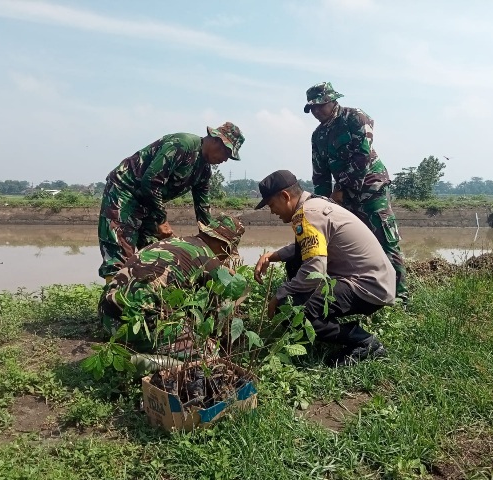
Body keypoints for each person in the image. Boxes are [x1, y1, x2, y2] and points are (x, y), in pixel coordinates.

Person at [253, 170, 395, 366]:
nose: (272, 211)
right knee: (295, 267)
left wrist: (278, 296)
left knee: (290, 309)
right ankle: (324, 324)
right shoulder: (314, 205)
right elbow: (307, 248)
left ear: (285, 196)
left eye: (271, 205)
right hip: (375, 280)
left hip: (368, 286)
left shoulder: (307, 215)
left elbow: (315, 271)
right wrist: (272, 256)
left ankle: (363, 342)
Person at [98, 122, 245, 281]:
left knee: (158, 254)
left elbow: (203, 213)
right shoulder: (182, 145)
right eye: (226, 153)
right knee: (119, 256)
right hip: (125, 192)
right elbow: (151, 181)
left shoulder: (204, 171)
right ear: (217, 140)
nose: (225, 160)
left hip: (149, 204)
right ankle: (111, 300)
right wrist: (162, 221)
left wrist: (212, 250)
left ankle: (144, 297)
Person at [303, 82, 408, 302]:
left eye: (320, 106)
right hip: (345, 198)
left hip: (371, 191)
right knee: (352, 245)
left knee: (385, 240)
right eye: (312, 108)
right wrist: (321, 204)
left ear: (332, 101)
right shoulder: (318, 136)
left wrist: (339, 189)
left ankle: (400, 297)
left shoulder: (355, 117)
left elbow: (362, 157)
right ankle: (363, 291)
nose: (316, 112)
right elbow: (320, 175)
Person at [99, 213, 246, 356]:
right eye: (228, 252)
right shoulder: (210, 261)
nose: (226, 257)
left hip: (107, 317)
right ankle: (144, 361)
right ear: (224, 246)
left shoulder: (174, 242)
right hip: (136, 326)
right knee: (209, 354)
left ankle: (129, 345)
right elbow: (223, 307)